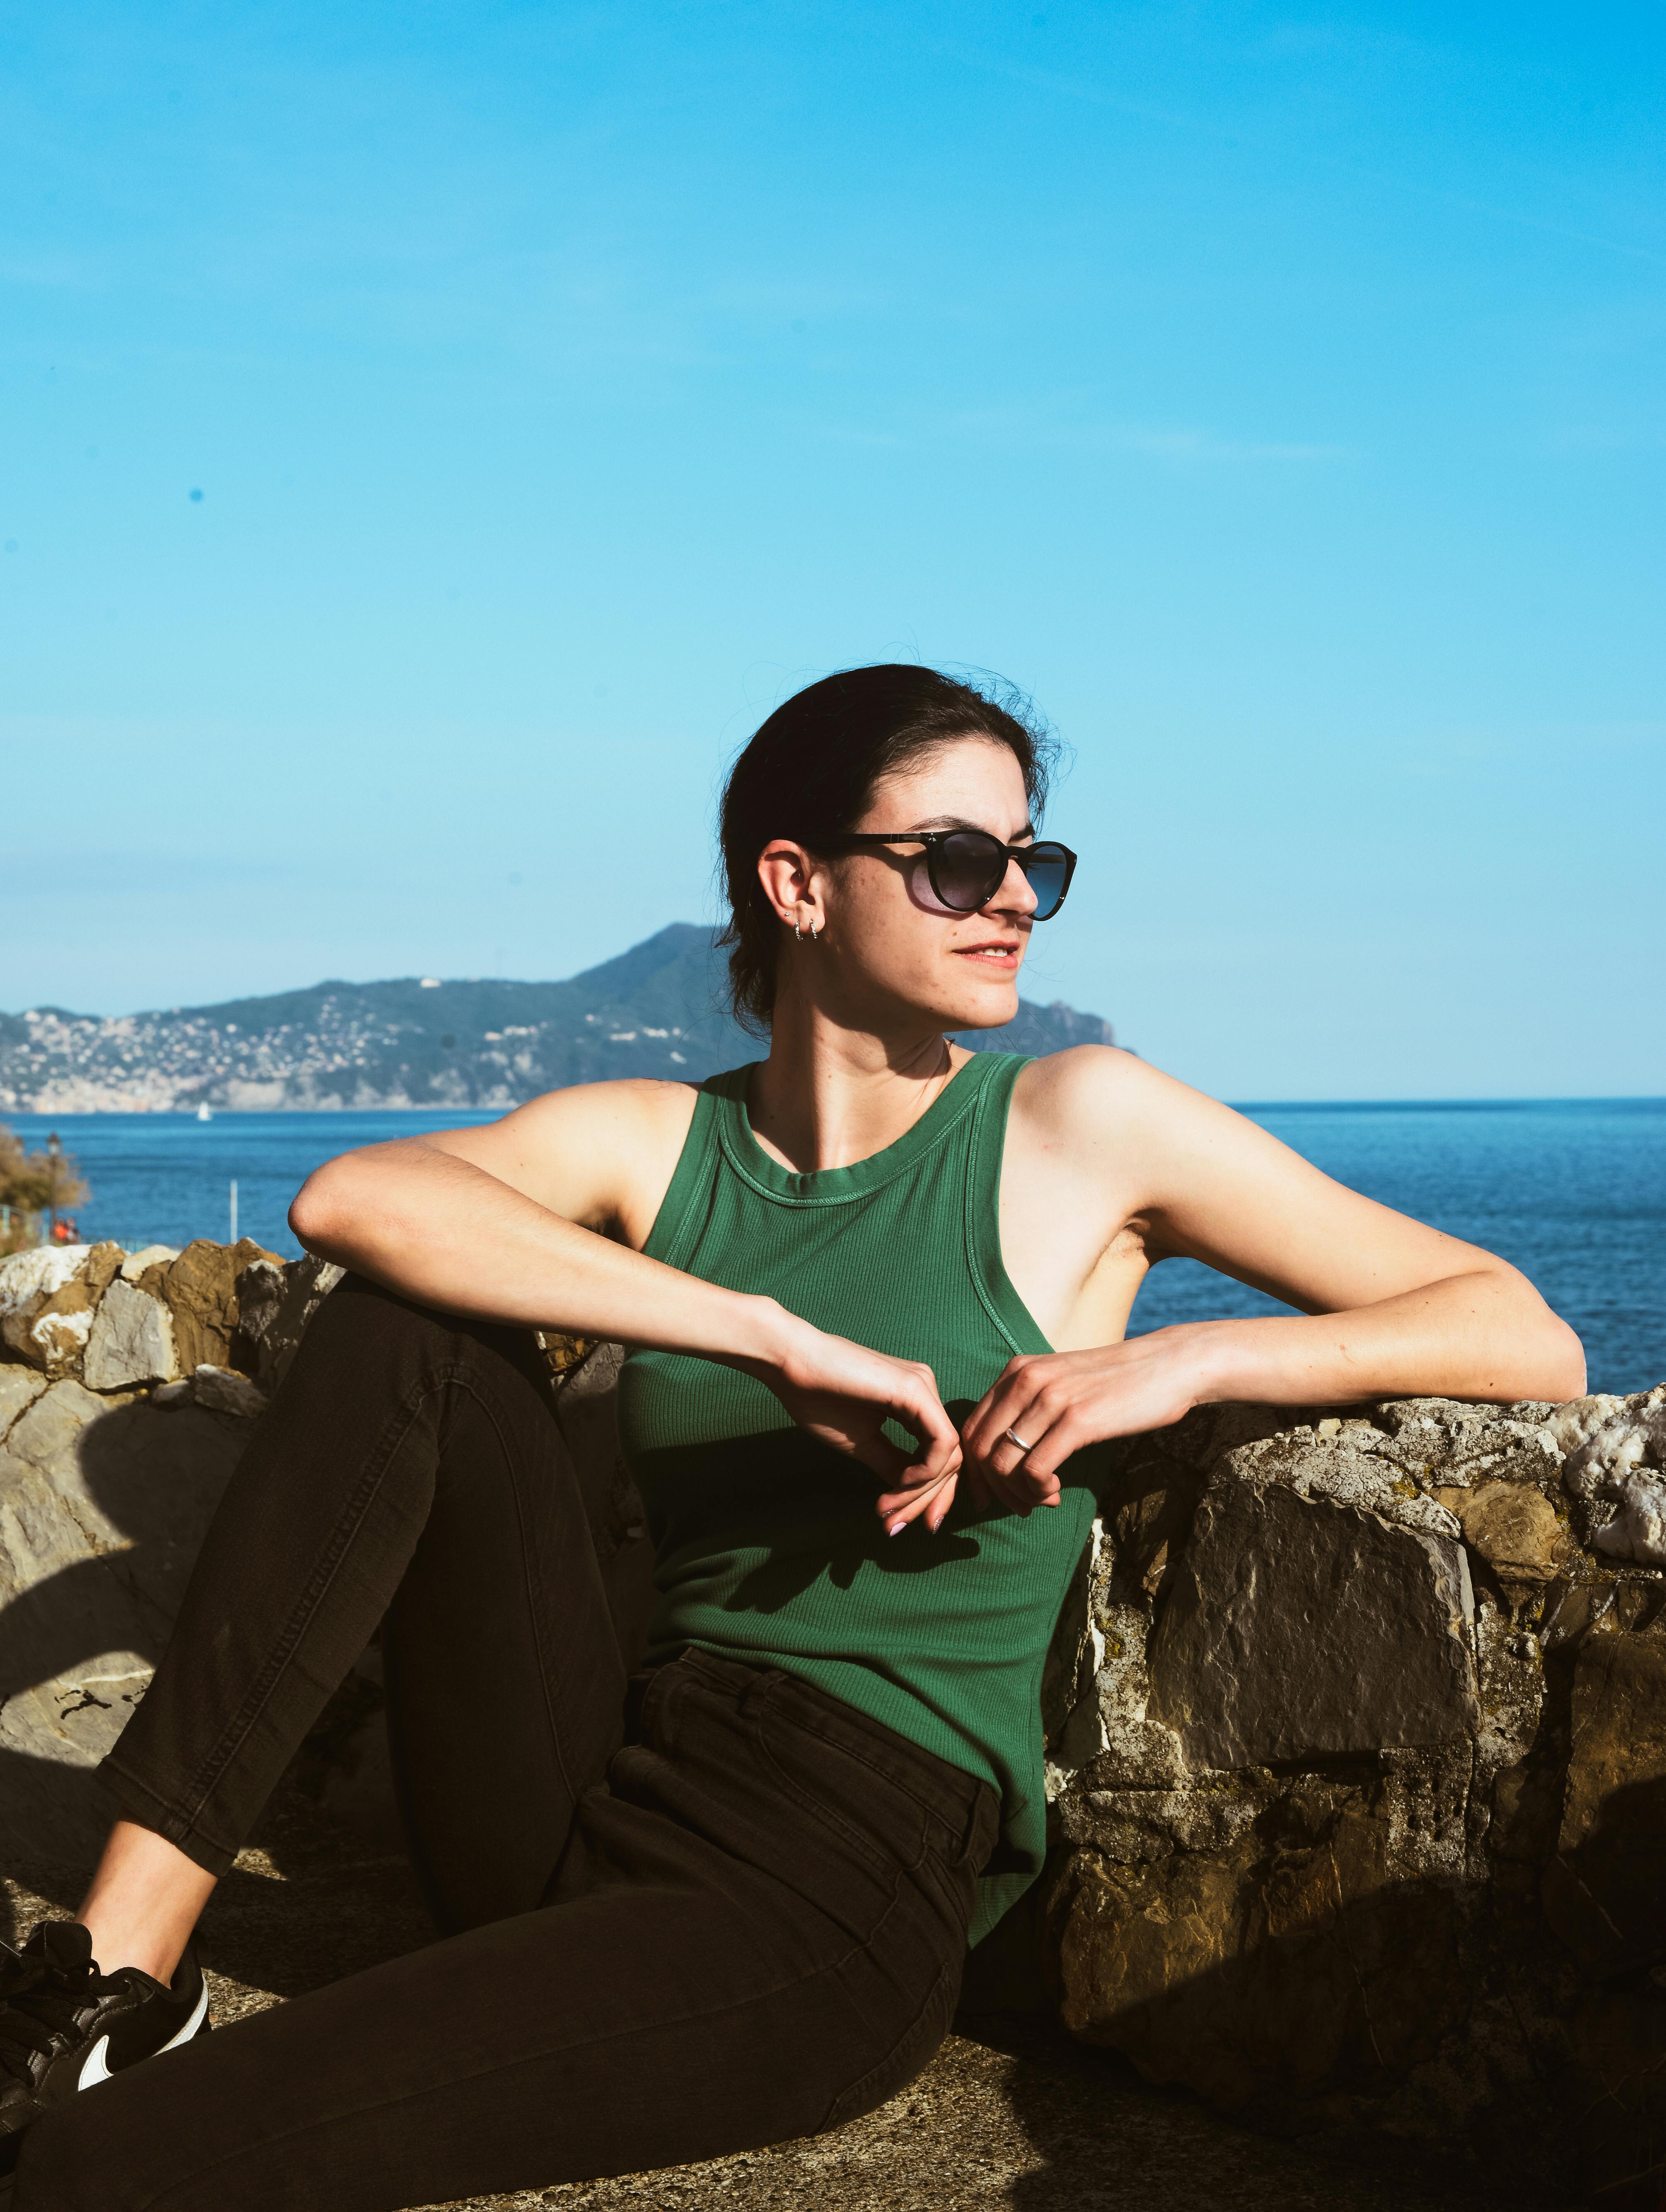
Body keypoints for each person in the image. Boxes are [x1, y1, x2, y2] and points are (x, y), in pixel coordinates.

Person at [0, 664, 1583, 2211]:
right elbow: (355, 1204)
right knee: (407, 1326)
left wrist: (1184, 1362)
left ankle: (111, 2094)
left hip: (829, 1878)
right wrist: (774, 1334)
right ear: (799, 882)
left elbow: (1526, 1334)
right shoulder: (667, 1142)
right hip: (592, 1775)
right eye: (962, 861)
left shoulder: (1078, 1125)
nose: (1016, 898)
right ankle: (123, 1970)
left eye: (1037, 862)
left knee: (124, 2170)